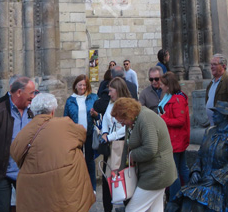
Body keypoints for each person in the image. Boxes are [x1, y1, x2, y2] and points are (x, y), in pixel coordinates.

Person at [11, 93, 95, 212]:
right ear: (52, 111)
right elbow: (82, 134)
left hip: (35, 193)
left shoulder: (24, 132)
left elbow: (15, 153)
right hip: (66, 189)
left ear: (34, 111)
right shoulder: (65, 124)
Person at [167, 101, 228, 212]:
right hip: (204, 176)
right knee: (183, 200)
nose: (213, 115)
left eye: (216, 113)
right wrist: (195, 171)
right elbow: (200, 154)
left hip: (223, 180)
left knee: (200, 203)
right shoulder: (210, 131)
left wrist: (215, 177)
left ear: (224, 116)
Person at [0, 76, 37, 212]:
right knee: (1, 209)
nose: (34, 97)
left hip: (26, 172)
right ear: (18, 93)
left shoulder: (33, 112)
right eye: (31, 93)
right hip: (2, 170)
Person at [111, 97, 177, 212]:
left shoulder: (145, 118)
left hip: (157, 173)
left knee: (133, 209)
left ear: (128, 113)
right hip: (154, 172)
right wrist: (121, 169)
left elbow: (150, 149)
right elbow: (128, 147)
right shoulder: (133, 121)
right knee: (154, 209)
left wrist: (132, 155)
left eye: (122, 121)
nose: (122, 124)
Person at [99, 77, 131, 212]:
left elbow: (126, 127)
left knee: (122, 178)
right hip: (110, 145)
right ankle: (108, 208)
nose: (109, 94)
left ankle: (128, 206)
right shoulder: (111, 103)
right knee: (106, 178)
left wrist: (110, 137)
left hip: (121, 145)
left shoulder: (127, 104)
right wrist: (104, 133)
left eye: (111, 91)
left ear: (118, 91)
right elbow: (106, 119)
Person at [64, 74, 99, 190]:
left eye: (84, 85)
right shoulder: (70, 100)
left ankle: (92, 187)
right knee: (76, 161)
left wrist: (96, 115)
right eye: (80, 85)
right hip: (75, 135)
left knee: (89, 160)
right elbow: (66, 118)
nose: (82, 87)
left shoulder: (93, 97)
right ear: (75, 85)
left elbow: (100, 116)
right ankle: (78, 186)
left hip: (88, 133)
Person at [159, 72, 190, 202]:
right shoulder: (171, 97)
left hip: (176, 140)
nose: (160, 86)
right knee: (181, 168)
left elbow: (180, 120)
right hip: (175, 139)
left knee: (174, 171)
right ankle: (186, 195)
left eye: (162, 84)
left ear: (168, 86)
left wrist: (163, 118)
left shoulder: (177, 99)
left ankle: (175, 200)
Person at [205, 54, 228, 125]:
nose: (211, 67)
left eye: (214, 64)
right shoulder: (211, 82)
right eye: (211, 64)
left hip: (223, 125)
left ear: (223, 66)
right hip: (213, 124)